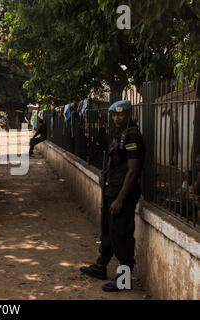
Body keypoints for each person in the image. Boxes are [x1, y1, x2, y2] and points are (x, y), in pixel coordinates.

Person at [80, 100, 146, 292]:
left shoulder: (133, 138)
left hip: (122, 194)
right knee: (108, 231)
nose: (117, 117)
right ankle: (101, 266)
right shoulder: (122, 135)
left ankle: (124, 280)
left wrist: (120, 199)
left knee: (122, 235)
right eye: (115, 114)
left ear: (129, 113)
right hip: (112, 190)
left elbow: (133, 171)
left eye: (121, 114)